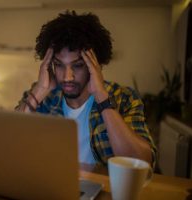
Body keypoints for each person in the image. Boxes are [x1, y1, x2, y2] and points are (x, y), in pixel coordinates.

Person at [15, 10, 157, 168]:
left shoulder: (124, 98)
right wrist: (40, 90)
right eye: (59, 65)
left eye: (78, 65)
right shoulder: (43, 98)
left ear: (96, 65)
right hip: (52, 187)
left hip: (105, 190)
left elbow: (142, 162)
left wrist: (102, 97)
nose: (67, 77)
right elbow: (10, 143)